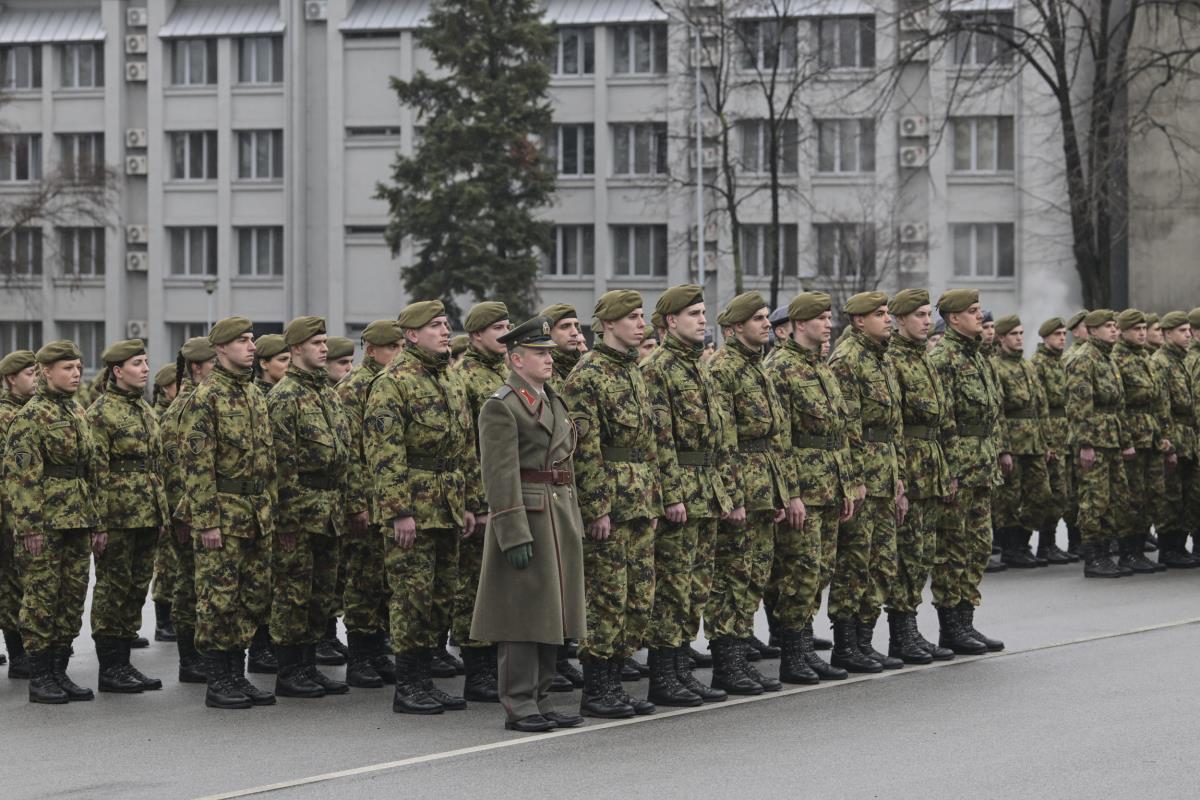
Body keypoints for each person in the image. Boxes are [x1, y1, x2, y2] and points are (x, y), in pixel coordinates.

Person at [471, 315, 587, 732]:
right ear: (516, 359)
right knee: (521, 615)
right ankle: (519, 703)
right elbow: (499, 475)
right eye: (539, 353)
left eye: (549, 352)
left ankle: (540, 696)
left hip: (558, 512)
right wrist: (511, 531)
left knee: (551, 613)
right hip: (528, 514)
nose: (549, 359)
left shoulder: (552, 400)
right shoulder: (501, 406)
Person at [365, 300, 475, 715]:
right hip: (414, 507)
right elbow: (384, 452)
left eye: (446, 324)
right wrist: (399, 511)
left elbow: (464, 447)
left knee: (441, 596)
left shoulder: (449, 378)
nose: (445, 331)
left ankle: (426, 679)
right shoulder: (393, 382)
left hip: (447, 504)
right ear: (411, 335)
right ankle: (408, 685)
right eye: (435, 326)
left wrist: (467, 502)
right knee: (411, 598)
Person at [561, 290, 662, 719]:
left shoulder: (632, 370)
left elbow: (649, 444)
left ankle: (616, 682)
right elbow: (584, 450)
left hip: (639, 501)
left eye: (642, 316)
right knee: (606, 597)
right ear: (607, 325)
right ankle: (597, 688)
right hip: (611, 504)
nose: (642, 324)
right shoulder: (587, 375)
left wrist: (654, 501)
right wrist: (597, 507)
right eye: (633, 317)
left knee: (638, 596)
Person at [178, 317, 277, 709]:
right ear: (220, 348)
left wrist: (269, 510)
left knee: (252, 597)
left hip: (255, 513)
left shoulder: (253, 394)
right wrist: (206, 522)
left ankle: (237, 673)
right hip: (223, 514)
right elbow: (197, 466)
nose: (251, 346)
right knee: (219, 599)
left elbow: (267, 461)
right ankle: (219, 679)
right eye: (242, 341)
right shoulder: (206, 397)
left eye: (252, 339)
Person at [639, 285, 731, 706]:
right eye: (693, 313)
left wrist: (723, 491)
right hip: (681, 492)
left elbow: (717, 436)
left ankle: (680, 668)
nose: (702, 319)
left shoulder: (699, 366)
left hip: (705, 489)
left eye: (703, 312)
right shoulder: (657, 368)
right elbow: (659, 442)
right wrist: (671, 495)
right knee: (672, 585)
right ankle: (663, 674)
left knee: (696, 585)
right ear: (671, 321)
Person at [706, 292, 797, 692]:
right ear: (735, 327)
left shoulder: (758, 366)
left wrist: (781, 493)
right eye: (757, 318)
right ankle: (726, 663)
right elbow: (722, 440)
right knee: (732, 576)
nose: (765, 324)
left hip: (763, 487)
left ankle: (740, 657)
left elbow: (776, 437)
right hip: (741, 488)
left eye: (765, 317)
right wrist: (732, 497)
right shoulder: (723, 369)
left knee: (754, 576)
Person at [764, 292, 856, 682]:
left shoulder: (820, 367)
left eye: (829, 318)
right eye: (821, 318)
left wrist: (846, 485)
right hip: (804, 487)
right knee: (798, 573)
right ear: (800, 324)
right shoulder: (780, 368)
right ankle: (792, 655)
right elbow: (779, 439)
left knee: (819, 571)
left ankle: (804, 648)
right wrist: (791, 494)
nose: (828, 325)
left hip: (829, 486)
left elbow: (839, 432)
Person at [3, 340, 98, 703]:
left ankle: (59, 671)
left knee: (71, 598)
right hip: (45, 523)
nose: (76, 374)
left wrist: (95, 517)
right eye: (67, 368)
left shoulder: (76, 411)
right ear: (46, 372)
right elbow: (22, 476)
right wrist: (29, 526)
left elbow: (89, 468)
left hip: (78, 518)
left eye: (78, 368)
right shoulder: (30, 416)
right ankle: (40, 675)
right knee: (41, 598)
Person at [267, 317, 352, 699]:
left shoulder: (327, 393)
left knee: (321, 594)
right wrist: (285, 521)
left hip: (329, 509)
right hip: (299, 513)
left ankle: (308, 665)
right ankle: (289, 671)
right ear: (296, 348)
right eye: (317, 343)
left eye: (325, 342)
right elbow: (280, 465)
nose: (324, 348)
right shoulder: (284, 397)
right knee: (293, 593)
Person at [86, 339, 171, 693]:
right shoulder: (100, 413)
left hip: (146, 514)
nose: (146, 369)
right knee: (113, 590)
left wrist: (161, 513)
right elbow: (95, 472)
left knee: (136, 589)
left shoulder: (145, 410)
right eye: (138, 363)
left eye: (146, 362)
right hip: (118, 518)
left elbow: (155, 466)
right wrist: (99, 524)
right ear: (118, 371)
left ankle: (124, 663)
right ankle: (110, 668)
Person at [828, 292, 905, 672]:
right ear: (859, 321)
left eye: (888, 313)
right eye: (880, 314)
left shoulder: (881, 357)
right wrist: (854, 480)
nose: (888, 319)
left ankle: (864, 640)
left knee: (881, 563)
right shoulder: (847, 359)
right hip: (863, 479)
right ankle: (845, 645)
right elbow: (847, 429)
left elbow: (894, 425)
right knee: (855, 563)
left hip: (884, 475)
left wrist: (898, 477)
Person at [929, 290, 1004, 654]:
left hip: (982, 466)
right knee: (952, 548)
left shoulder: (978, 356)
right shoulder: (942, 358)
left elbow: (991, 414)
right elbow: (942, 421)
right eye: (972, 311)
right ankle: (950, 627)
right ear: (953, 318)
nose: (979, 316)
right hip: (959, 469)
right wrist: (949, 471)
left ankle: (966, 620)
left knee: (978, 546)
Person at [883, 290, 955, 663]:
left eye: (929, 315)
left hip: (929, 466)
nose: (927, 321)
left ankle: (911, 628)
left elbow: (939, 420)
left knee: (923, 553)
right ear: (899, 320)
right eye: (920, 315)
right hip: (908, 468)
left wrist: (947, 470)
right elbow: (893, 426)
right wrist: (898, 480)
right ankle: (901, 634)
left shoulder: (922, 357)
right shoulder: (893, 360)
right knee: (906, 554)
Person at [337, 320, 403, 688]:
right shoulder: (354, 387)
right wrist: (357, 502)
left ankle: (378, 652)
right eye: (392, 347)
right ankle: (360, 657)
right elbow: (350, 453)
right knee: (362, 579)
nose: (399, 353)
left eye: (401, 346)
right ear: (371, 351)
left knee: (383, 580)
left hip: (386, 498)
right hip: (365, 499)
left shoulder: (393, 382)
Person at [452, 301, 512, 703]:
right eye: (498, 328)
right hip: (482, 498)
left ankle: (496, 663)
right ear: (476, 335)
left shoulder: (504, 372)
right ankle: (477, 670)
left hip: (505, 494)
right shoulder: (466, 378)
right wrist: (476, 502)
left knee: (500, 585)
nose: (506, 334)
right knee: (473, 586)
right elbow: (466, 448)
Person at [160, 336, 217, 685]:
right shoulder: (181, 410)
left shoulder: (208, 400)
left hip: (206, 510)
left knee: (207, 586)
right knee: (189, 585)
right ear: (196, 367)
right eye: (213, 363)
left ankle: (204, 654)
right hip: (189, 514)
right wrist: (180, 517)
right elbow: (173, 473)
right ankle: (189, 659)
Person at [1066, 309, 1135, 578]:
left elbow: (1119, 405)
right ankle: (1094, 557)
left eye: (1115, 326)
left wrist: (1125, 441)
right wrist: (1086, 445)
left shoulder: (1107, 358)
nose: (1114, 330)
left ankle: (1106, 552)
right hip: (1094, 442)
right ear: (1093, 330)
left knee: (1115, 497)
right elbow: (1079, 406)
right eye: (1108, 326)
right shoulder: (1084, 359)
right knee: (1094, 499)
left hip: (1111, 439)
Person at [990, 316, 1057, 569]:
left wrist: (1047, 442)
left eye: (1021, 333)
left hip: (1034, 441)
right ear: (1001, 338)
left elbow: (1041, 407)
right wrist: (1003, 449)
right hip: (1013, 442)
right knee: (1010, 497)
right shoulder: (995, 367)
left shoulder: (1028, 366)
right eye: (1013, 334)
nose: (1019, 338)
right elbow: (998, 412)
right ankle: (1011, 548)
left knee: (1041, 493)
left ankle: (1023, 539)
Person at [1111, 309, 1168, 574]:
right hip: (1132, 436)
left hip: (1150, 435)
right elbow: (1118, 405)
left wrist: (1163, 435)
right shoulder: (1117, 360)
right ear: (1122, 332)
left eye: (1145, 328)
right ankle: (1128, 551)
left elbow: (1158, 400)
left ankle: (1139, 547)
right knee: (1131, 497)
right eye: (1137, 329)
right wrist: (1125, 441)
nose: (1143, 333)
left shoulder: (1145, 358)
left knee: (1151, 495)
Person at [1149, 312, 1200, 567]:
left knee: (1189, 493)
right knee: (1171, 494)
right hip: (1174, 435)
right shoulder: (1160, 362)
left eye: (1189, 330)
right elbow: (1162, 406)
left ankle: (1181, 546)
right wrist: (1167, 442)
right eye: (1182, 331)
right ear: (1167, 334)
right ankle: (1169, 549)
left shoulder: (1182, 359)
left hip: (1188, 435)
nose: (1188, 334)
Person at [0, 350, 38, 679]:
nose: (35, 378)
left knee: (24, 583)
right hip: (8, 513)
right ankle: (18, 653)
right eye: (29, 373)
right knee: (11, 585)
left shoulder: (32, 412)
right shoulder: (4, 416)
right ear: (11, 379)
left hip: (25, 512)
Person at [1030, 318, 1077, 563]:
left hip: (1065, 433)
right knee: (1051, 492)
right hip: (1051, 434)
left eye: (1063, 334)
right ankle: (1044, 544)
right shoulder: (1038, 364)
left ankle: (1053, 543)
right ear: (1045, 337)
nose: (1062, 338)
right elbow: (1039, 406)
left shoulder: (1063, 361)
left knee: (1065, 493)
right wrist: (1045, 441)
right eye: (1057, 334)